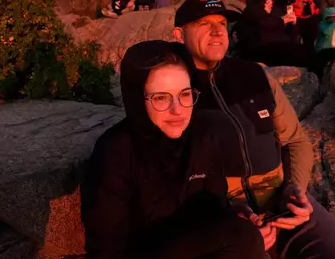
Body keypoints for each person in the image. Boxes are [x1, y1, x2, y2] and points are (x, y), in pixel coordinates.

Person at [172, 0, 335, 259]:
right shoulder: (171, 91)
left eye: (221, 23)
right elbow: (169, 172)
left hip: (283, 204)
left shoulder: (255, 76)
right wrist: (226, 214)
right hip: (227, 221)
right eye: (203, 23)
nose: (217, 31)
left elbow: (296, 141)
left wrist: (295, 190)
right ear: (179, 34)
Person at [82, 40, 265, 259]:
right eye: (160, 98)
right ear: (137, 99)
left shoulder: (203, 137)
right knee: (243, 238)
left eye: (185, 94)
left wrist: (232, 215)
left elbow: (213, 208)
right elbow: (106, 248)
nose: (177, 110)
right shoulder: (116, 152)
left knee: (245, 237)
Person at [236, 0, 313, 68]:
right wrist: (281, 20)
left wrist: (293, 24)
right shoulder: (253, 8)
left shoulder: (279, 9)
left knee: (306, 50)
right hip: (261, 47)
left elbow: (291, 34)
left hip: (282, 45)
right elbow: (262, 24)